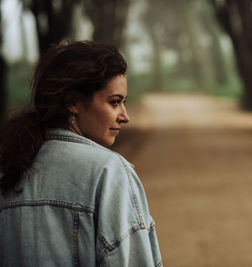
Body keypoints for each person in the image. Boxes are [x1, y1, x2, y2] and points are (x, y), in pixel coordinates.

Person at [0, 41, 162, 267]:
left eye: (123, 103)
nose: (125, 116)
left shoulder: (10, 167)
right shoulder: (108, 172)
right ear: (73, 102)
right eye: (114, 102)